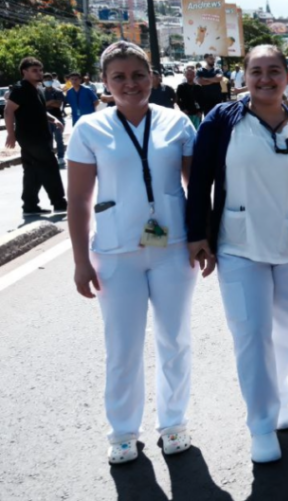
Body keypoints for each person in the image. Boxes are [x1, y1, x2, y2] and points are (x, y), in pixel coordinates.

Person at [186, 44, 288, 463]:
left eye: (273, 71)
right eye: (256, 71)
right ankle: (261, 424)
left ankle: (278, 392)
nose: (265, 79)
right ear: (244, 77)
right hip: (239, 245)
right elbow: (200, 181)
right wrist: (198, 235)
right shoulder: (222, 120)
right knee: (251, 336)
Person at [65, 41, 198, 464]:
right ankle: (123, 431)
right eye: (118, 77)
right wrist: (80, 261)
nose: (130, 84)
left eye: (138, 75)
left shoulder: (177, 123)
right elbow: (78, 200)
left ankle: (173, 422)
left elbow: (197, 190)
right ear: (104, 82)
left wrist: (203, 237)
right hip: (115, 252)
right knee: (122, 346)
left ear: (152, 77)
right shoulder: (89, 129)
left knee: (175, 339)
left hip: (172, 248)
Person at [3, 57, 67, 215]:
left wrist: (53, 119)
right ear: (24, 72)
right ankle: (59, 203)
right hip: (31, 137)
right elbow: (8, 111)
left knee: (32, 170)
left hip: (40, 135)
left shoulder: (37, 89)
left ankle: (30, 205)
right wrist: (10, 134)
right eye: (34, 70)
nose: (39, 73)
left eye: (40, 70)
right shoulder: (20, 89)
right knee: (50, 166)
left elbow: (38, 110)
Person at [42, 73, 67, 168]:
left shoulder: (58, 92)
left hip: (58, 117)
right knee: (48, 140)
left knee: (59, 139)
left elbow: (58, 105)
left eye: (49, 80)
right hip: (45, 119)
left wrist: (48, 103)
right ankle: (50, 158)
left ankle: (61, 157)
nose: (47, 82)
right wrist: (52, 101)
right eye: (45, 80)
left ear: (52, 81)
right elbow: (41, 105)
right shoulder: (41, 92)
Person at [176, 65, 203, 130]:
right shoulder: (181, 87)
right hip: (185, 112)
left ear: (194, 75)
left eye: (191, 74)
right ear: (185, 75)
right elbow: (177, 99)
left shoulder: (198, 87)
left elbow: (202, 100)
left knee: (196, 130)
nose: (189, 76)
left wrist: (200, 111)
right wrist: (182, 109)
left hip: (196, 113)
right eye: (188, 74)